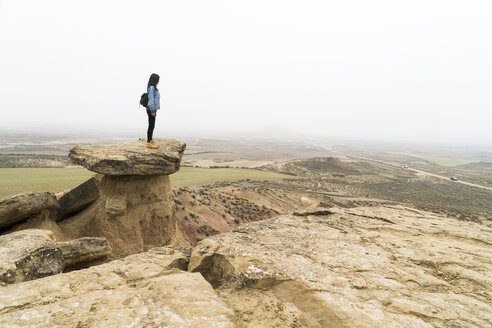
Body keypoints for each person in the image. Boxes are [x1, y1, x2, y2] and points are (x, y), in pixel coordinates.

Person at [146, 73, 160, 149]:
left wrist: (155, 110)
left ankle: (150, 140)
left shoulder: (153, 88)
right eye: (158, 79)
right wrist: (152, 111)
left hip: (153, 109)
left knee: (152, 125)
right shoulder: (151, 88)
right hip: (151, 109)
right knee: (151, 125)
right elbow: (151, 100)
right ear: (155, 80)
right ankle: (148, 142)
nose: (159, 81)